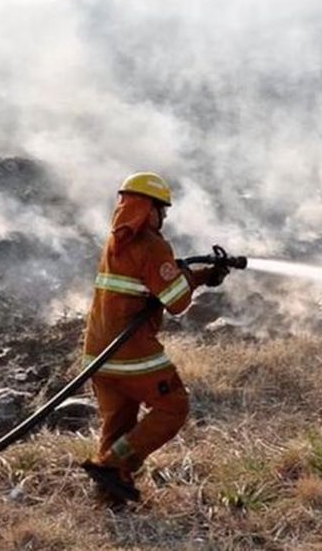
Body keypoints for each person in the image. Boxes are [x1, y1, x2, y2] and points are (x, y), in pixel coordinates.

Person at [80, 172, 227, 504]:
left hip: (97, 355)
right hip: (132, 355)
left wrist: (203, 274)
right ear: (148, 209)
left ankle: (111, 494)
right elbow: (175, 301)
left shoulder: (116, 241)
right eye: (162, 210)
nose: (164, 218)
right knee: (173, 407)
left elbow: (151, 283)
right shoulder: (152, 244)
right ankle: (111, 465)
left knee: (119, 423)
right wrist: (194, 277)